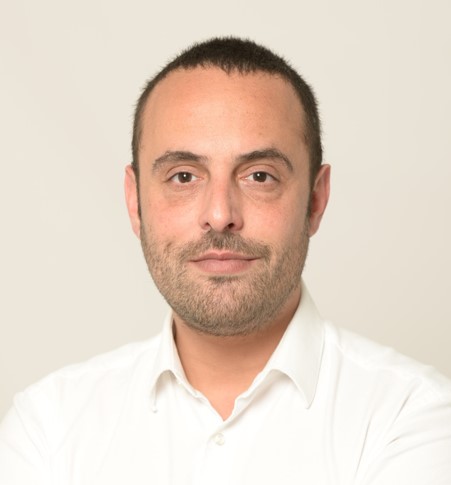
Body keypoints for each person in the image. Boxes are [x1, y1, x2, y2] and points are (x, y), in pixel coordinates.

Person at [1, 37, 450, 485]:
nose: (220, 215)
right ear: (135, 203)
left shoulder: (411, 416)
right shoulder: (48, 427)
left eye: (259, 176)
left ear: (315, 200)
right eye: (183, 176)